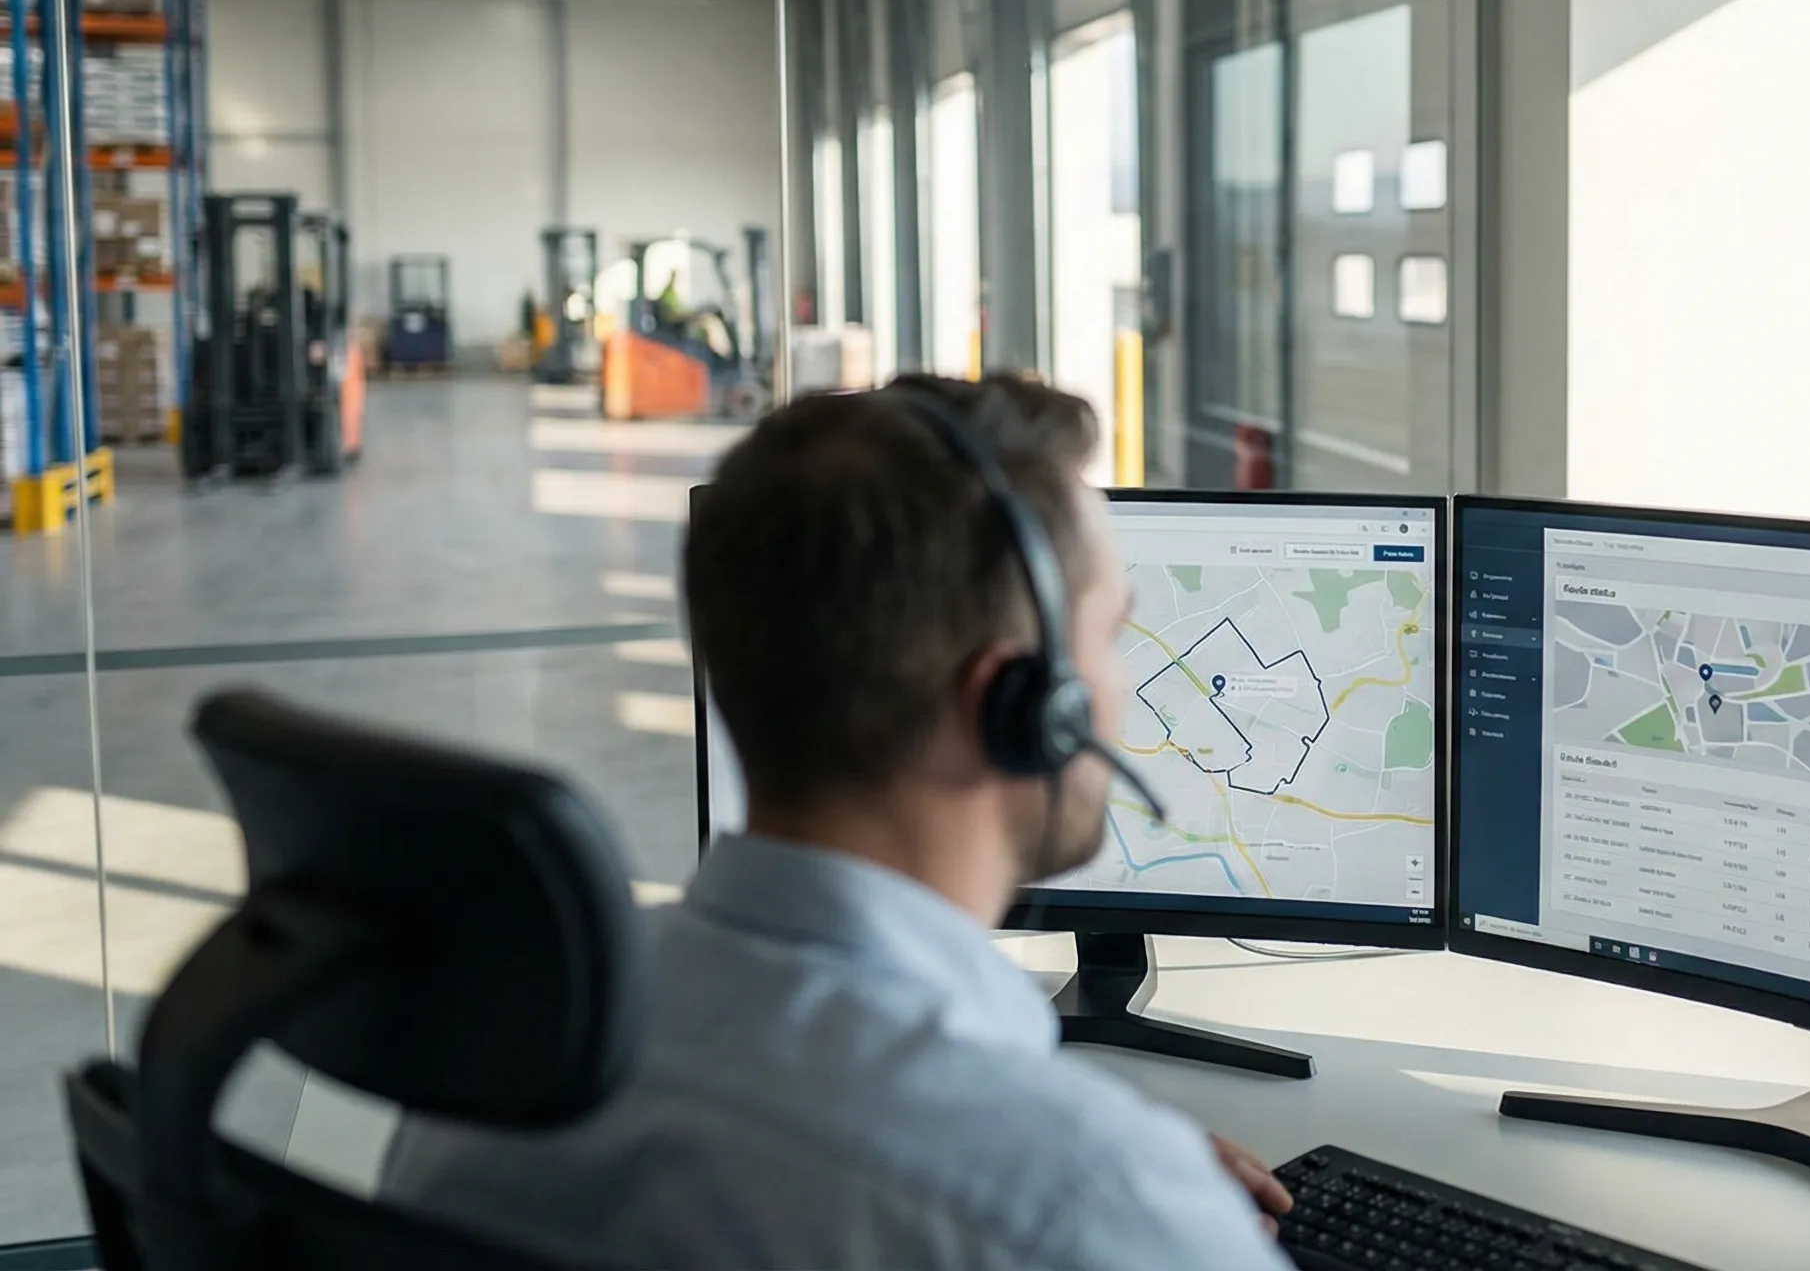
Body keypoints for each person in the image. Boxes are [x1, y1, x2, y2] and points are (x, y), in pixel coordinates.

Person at [383, 374, 1295, 1269]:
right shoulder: (1095, 1207)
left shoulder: (503, 1049)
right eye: (1111, 636)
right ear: (1020, 706)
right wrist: (1139, 1191)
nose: (1125, 686)